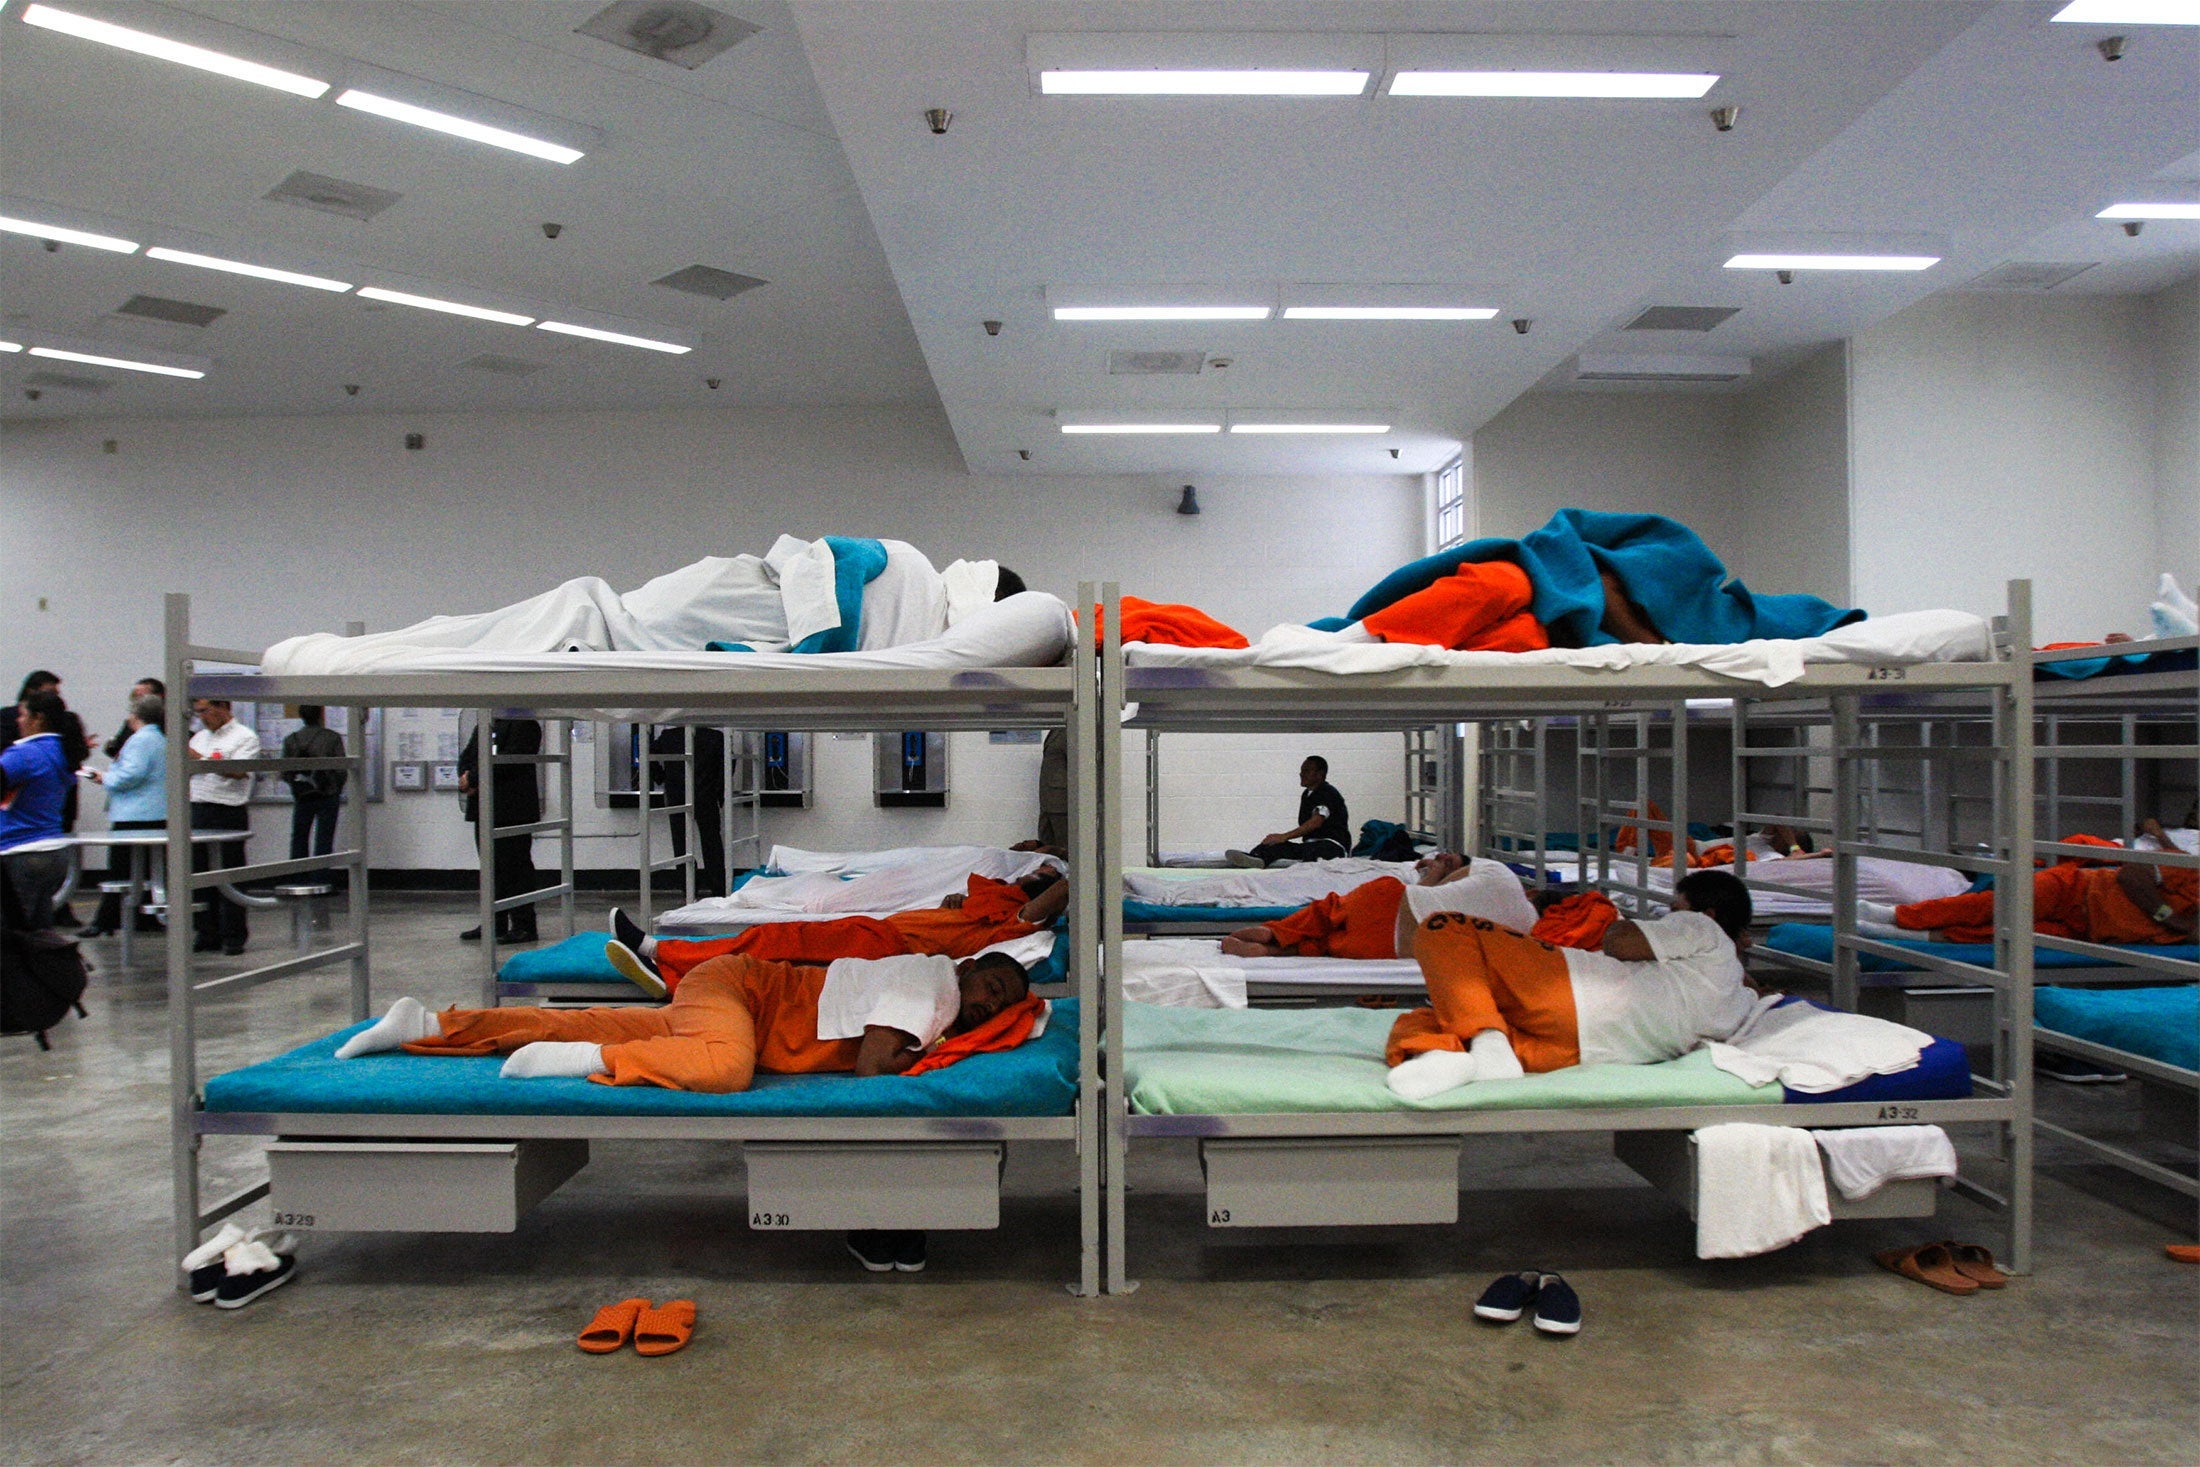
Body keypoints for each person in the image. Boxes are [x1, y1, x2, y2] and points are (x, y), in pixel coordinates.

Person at [1384, 869, 1758, 1099]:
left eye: (1675, 909)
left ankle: (1484, 1038)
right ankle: (1448, 1056)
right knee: (1436, 1014)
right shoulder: (1740, 1001)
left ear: (1706, 914)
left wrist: (1648, 923)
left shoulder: (1702, 928)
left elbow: (1619, 941)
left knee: (1442, 927)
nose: (1670, 916)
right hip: (1583, 1049)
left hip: (1569, 994)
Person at [606, 868, 1069, 997]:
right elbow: (1043, 867)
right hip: (880, 934)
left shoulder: (1015, 920)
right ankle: (672, 970)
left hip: (887, 944)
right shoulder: (993, 899)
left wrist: (1049, 877)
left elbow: (1062, 884)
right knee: (780, 949)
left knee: (775, 945)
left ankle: (661, 954)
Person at [1883, 832, 2197, 946]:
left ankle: (1914, 935)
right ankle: (1895, 915)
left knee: (2004, 933)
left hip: (2088, 931)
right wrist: (2167, 916)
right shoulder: (2191, 871)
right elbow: (2132, 875)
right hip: (2076, 890)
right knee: (1989, 906)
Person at [1219, 852, 1539, 959]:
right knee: (1324, 945)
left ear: (1533, 892)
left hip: (1388, 905)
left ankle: (1273, 932)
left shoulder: (1497, 871)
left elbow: (1425, 897)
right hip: (1393, 947)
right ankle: (1277, 951)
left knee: (1325, 912)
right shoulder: (1523, 936)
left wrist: (1438, 870)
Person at [2, 672, 92, 924]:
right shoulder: (63, 751)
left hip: (20, 850)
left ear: (37, 718)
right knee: (39, 931)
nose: (18, 721)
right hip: (52, 850)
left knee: (13, 933)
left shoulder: (23, 754)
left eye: (22, 715)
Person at [79, 694, 167, 937]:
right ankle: (131, 918)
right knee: (146, 870)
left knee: (120, 870)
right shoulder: (159, 739)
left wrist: (104, 777)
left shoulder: (140, 741)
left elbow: (131, 775)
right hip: (154, 812)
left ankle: (106, 921)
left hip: (134, 816)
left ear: (135, 716)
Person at [457, 718, 543, 943]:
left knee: (515, 867)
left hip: (512, 808)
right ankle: (494, 923)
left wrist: (473, 778)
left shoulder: (525, 724)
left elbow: (510, 762)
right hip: (485, 809)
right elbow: (467, 755)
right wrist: (466, 775)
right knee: (490, 867)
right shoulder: (485, 725)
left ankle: (524, 925)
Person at [188, 698, 260, 955]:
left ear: (223, 708)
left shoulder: (244, 737)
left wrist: (202, 760)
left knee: (230, 873)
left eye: (205, 711)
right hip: (198, 808)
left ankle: (234, 935)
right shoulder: (198, 737)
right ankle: (207, 932)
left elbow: (239, 771)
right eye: (197, 713)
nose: (202, 718)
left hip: (227, 810)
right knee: (200, 872)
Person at [1227, 756, 1349, 868]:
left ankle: (1259, 858)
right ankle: (1256, 857)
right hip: (1311, 845)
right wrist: (1277, 840)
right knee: (1275, 845)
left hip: (1332, 847)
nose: (1301, 774)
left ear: (1320, 774)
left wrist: (1284, 836)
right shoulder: (1307, 795)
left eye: (1306, 771)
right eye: (1301, 771)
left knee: (1306, 850)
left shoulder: (1327, 792)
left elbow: (1316, 822)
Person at [649, 726, 726, 899]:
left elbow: (647, 753)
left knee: (680, 843)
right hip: (706, 794)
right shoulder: (715, 736)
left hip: (677, 794)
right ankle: (718, 887)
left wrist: (660, 777)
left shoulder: (669, 736)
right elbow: (727, 765)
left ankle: (688, 887)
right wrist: (720, 792)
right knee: (712, 842)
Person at [280, 706, 346, 886]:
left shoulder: (291, 740)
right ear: (321, 714)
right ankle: (321, 879)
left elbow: (285, 772)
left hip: (302, 795)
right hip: (328, 794)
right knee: (324, 838)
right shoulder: (332, 738)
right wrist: (334, 788)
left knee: (299, 836)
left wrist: (298, 787)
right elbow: (341, 769)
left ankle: (298, 879)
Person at [1035, 726, 1069, 850]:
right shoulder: (1058, 728)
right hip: (1049, 801)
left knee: (1064, 848)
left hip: (1062, 805)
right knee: (1047, 846)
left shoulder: (1070, 730)